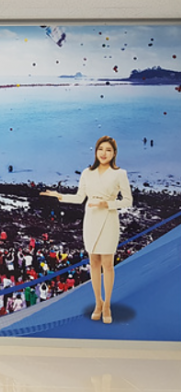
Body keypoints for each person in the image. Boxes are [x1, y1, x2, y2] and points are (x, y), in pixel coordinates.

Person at [40, 136, 133, 324]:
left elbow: (128, 201)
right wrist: (59, 196)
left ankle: (107, 305)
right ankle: (98, 302)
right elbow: (79, 197)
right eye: (101, 149)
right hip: (90, 219)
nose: (104, 153)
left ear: (114, 153)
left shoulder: (120, 174)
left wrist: (108, 204)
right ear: (96, 151)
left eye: (108, 150)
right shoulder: (87, 173)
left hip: (108, 219)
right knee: (94, 262)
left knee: (108, 264)